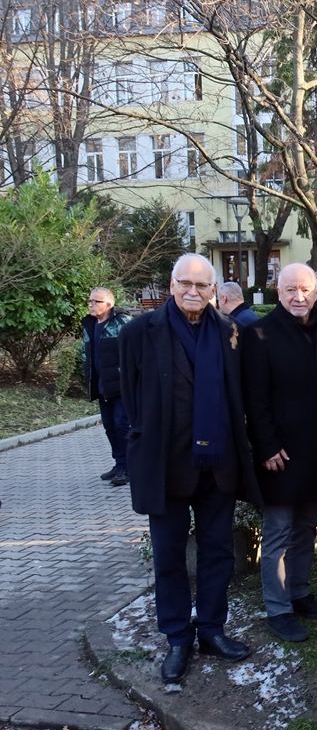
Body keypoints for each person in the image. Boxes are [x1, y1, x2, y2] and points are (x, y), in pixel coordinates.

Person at [119, 253, 259, 684]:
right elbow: (129, 395)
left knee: (217, 554)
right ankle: (178, 637)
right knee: (169, 558)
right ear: (172, 285)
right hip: (166, 467)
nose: (194, 292)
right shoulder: (140, 332)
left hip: (217, 467)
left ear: (214, 289)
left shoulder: (229, 331)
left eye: (203, 285)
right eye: (187, 284)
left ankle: (212, 630)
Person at [242, 263, 317, 643]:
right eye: (290, 290)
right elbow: (255, 396)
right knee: (279, 532)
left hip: (316, 451)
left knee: (306, 528)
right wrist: (266, 445)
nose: (299, 297)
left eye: (306, 289)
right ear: (277, 292)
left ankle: (299, 593)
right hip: (279, 454)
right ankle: (277, 608)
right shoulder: (259, 333)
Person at [83, 287, 134, 487]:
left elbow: (135, 352)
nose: (91, 304)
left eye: (96, 301)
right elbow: (87, 354)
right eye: (90, 301)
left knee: (123, 426)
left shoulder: (122, 322)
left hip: (121, 386)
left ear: (109, 305)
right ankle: (119, 463)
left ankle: (129, 467)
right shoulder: (89, 324)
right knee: (110, 427)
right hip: (101, 385)